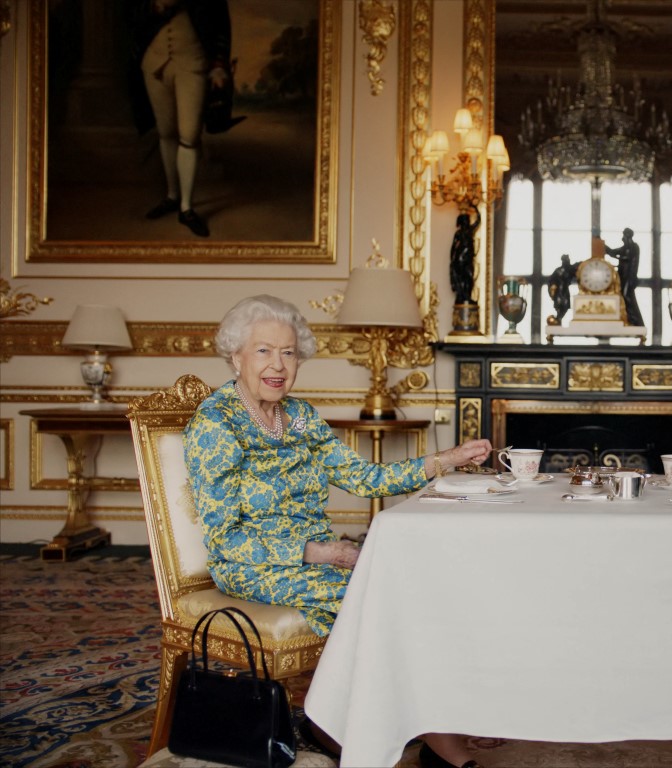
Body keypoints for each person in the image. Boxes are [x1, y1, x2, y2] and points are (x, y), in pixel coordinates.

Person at [183, 295, 490, 768]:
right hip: (250, 564)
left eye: (288, 353)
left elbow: (367, 478)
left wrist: (444, 460)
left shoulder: (300, 417)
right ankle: (429, 736)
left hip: (320, 556)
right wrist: (317, 553)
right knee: (383, 595)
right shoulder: (216, 423)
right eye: (263, 351)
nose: (278, 365)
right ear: (235, 356)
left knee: (406, 586)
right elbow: (225, 537)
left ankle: (345, 723)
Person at [129, 0, 233, 238]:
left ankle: (186, 207)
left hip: (193, 62)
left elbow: (221, 22)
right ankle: (172, 196)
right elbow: (131, 15)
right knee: (165, 131)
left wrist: (218, 64)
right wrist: (154, 7)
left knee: (189, 134)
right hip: (154, 63)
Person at [604, 228, 644, 327]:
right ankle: (629, 318)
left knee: (627, 296)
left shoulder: (634, 247)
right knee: (624, 296)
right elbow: (614, 252)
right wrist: (605, 248)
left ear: (627, 236)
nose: (622, 238)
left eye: (624, 236)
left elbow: (626, 257)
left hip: (629, 278)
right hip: (624, 277)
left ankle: (635, 320)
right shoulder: (625, 247)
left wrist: (613, 255)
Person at [450, 212, 481, 306]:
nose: (467, 222)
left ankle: (467, 296)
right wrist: (452, 259)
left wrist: (475, 208)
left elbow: (478, 221)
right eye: (466, 220)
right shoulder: (459, 233)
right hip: (460, 258)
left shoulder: (470, 231)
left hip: (468, 258)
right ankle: (462, 296)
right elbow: (454, 247)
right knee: (462, 278)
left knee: (469, 277)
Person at [546, 254, 576, 325]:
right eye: (566, 260)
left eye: (568, 259)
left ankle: (558, 319)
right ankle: (558, 319)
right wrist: (553, 288)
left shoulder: (569, 269)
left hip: (564, 291)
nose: (568, 261)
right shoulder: (558, 271)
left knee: (564, 306)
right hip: (559, 292)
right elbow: (552, 281)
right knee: (560, 305)